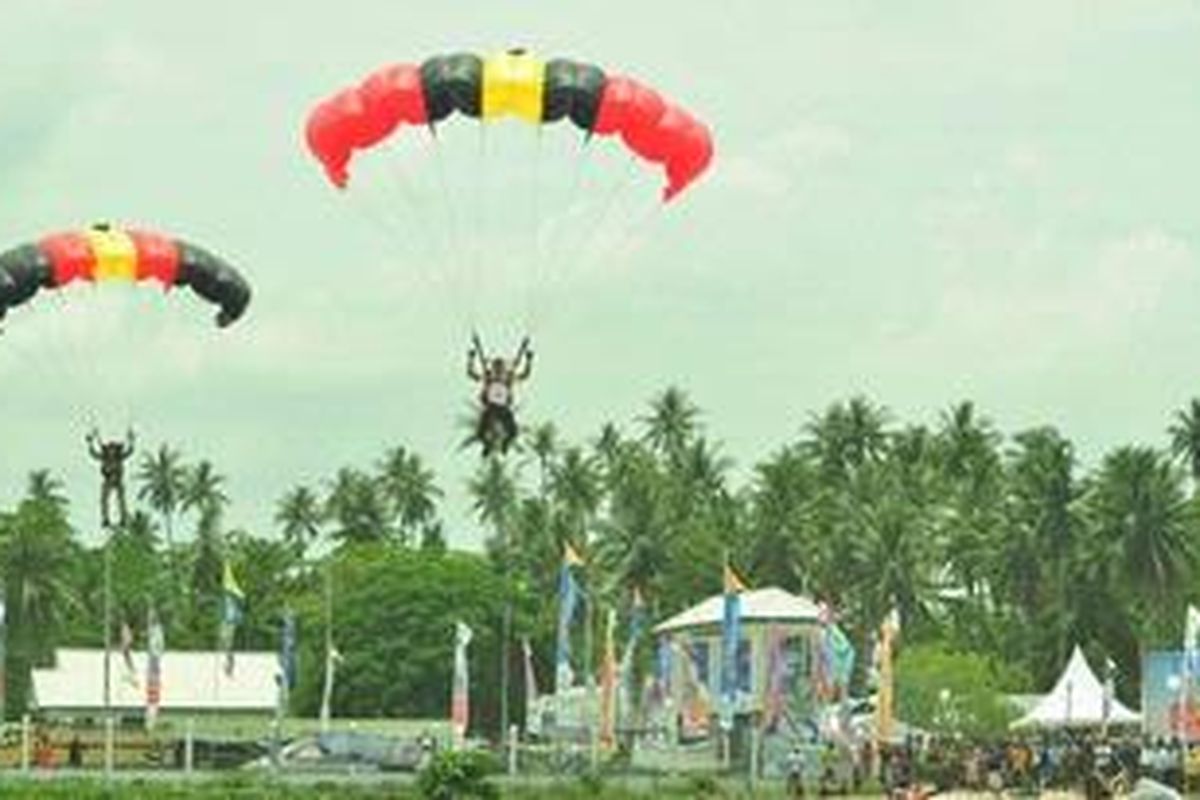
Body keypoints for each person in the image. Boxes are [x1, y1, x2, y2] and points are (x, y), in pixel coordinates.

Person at [467, 335, 532, 457]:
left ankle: (505, 443)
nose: (498, 370)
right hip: (490, 407)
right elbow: (471, 374)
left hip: (503, 409)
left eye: (500, 367)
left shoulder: (508, 378)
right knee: (480, 432)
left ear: (503, 367)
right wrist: (471, 359)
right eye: (496, 367)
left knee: (513, 432)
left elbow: (525, 375)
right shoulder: (488, 377)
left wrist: (528, 360)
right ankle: (487, 445)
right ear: (493, 367)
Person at [86, 427, 135, 528]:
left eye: (113, 449)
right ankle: (105, 519)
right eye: (109, 449)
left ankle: (123, 518)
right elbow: (93, 454)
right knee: (104, 500)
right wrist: (90, 443)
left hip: (118, 480)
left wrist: (131, 440)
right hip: (107, 480)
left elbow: (130, 451)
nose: (111, 452)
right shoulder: (104, 457)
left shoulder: (120, 456)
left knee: (121, 500)